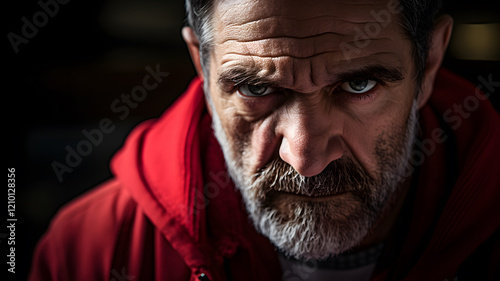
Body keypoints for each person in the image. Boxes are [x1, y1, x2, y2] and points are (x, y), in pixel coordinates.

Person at [29, 0, 499, 280]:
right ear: (201, 65)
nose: (306, 157)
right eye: (256, 88)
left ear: (429, 64)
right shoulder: (88, 250)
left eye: (358, 86)